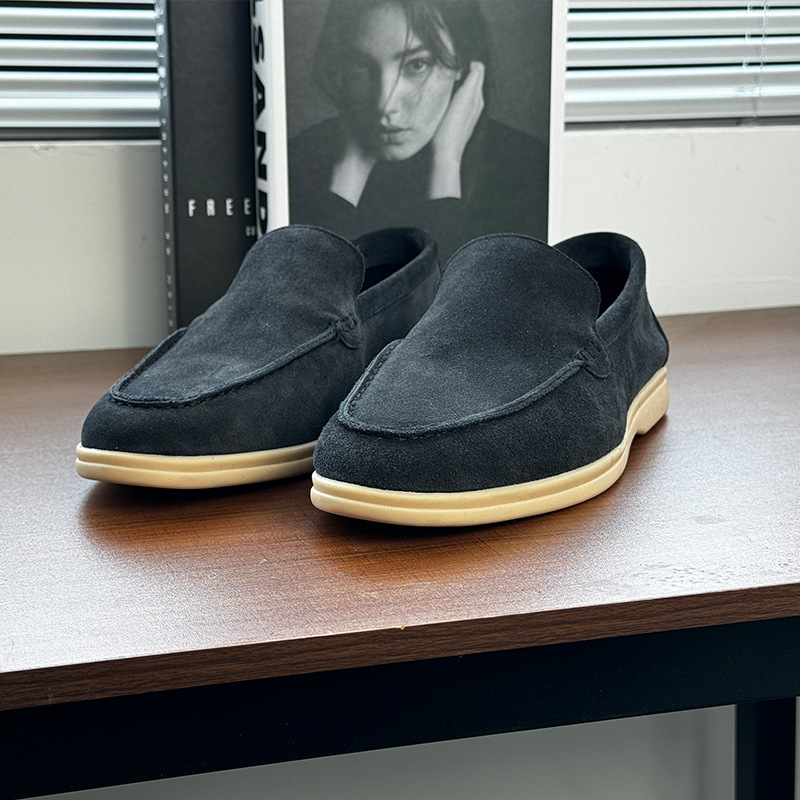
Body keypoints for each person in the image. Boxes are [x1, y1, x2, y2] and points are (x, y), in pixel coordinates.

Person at [289, 0, 549, 263]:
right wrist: (348, 172)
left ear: (462, 62)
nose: (385, 104)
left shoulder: (525, 171)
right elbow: (308, 286)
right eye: (360, 65)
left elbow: (454, 291)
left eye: (417, 65)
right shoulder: (299, 159)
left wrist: (446, 163)